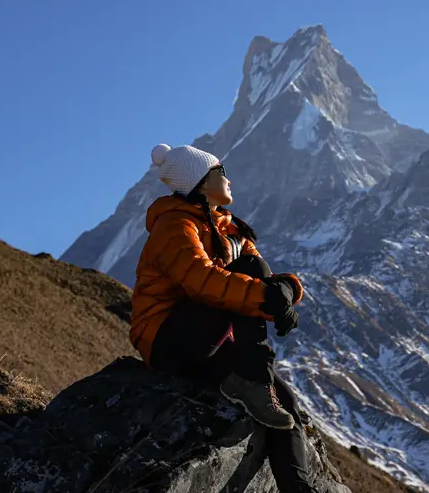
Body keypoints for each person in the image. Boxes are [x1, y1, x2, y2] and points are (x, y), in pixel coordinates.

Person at [128, 143, 315, 491]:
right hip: (169, 340)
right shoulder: (175, 225)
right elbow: (201, 282)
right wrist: (270, 298)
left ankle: (300, 487)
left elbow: (262, 277)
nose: (228, 179)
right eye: (220, 172)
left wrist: (286, 291)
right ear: (201, 183)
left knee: (283, 401)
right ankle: (255, 380)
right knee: (247, 271)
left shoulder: (230, 230)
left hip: (211, 343)